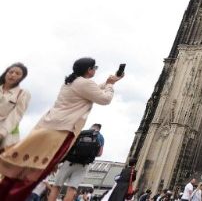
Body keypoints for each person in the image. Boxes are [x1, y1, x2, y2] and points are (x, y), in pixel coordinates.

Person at [0, 57, 122, 201]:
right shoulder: (83, 83)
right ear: (89, 70)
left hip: (48, 127)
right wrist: (110, 85)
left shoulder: (73, 82)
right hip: (61, 132)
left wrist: (108, 82)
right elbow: (105, 99)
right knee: (37, 171)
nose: (95, 70)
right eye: (95, 68)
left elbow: (91, 90)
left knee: (26, 166)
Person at [49, 123, 106, 201]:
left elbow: (68, 148)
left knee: (57, 186)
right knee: (72, 188)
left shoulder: (81, 132)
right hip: (84, 165)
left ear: (91, 127)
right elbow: (99, 154)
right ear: (99, 129)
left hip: (69, 162)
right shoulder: (100, 137)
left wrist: (57, 162)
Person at [0, 62, 30, 151]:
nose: (13, 75)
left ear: (22, 78)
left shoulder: (23, 93)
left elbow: (16, 115)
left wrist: (2, 133)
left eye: (17, 73)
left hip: (5, 133)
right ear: (6, 73)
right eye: (11, 72)